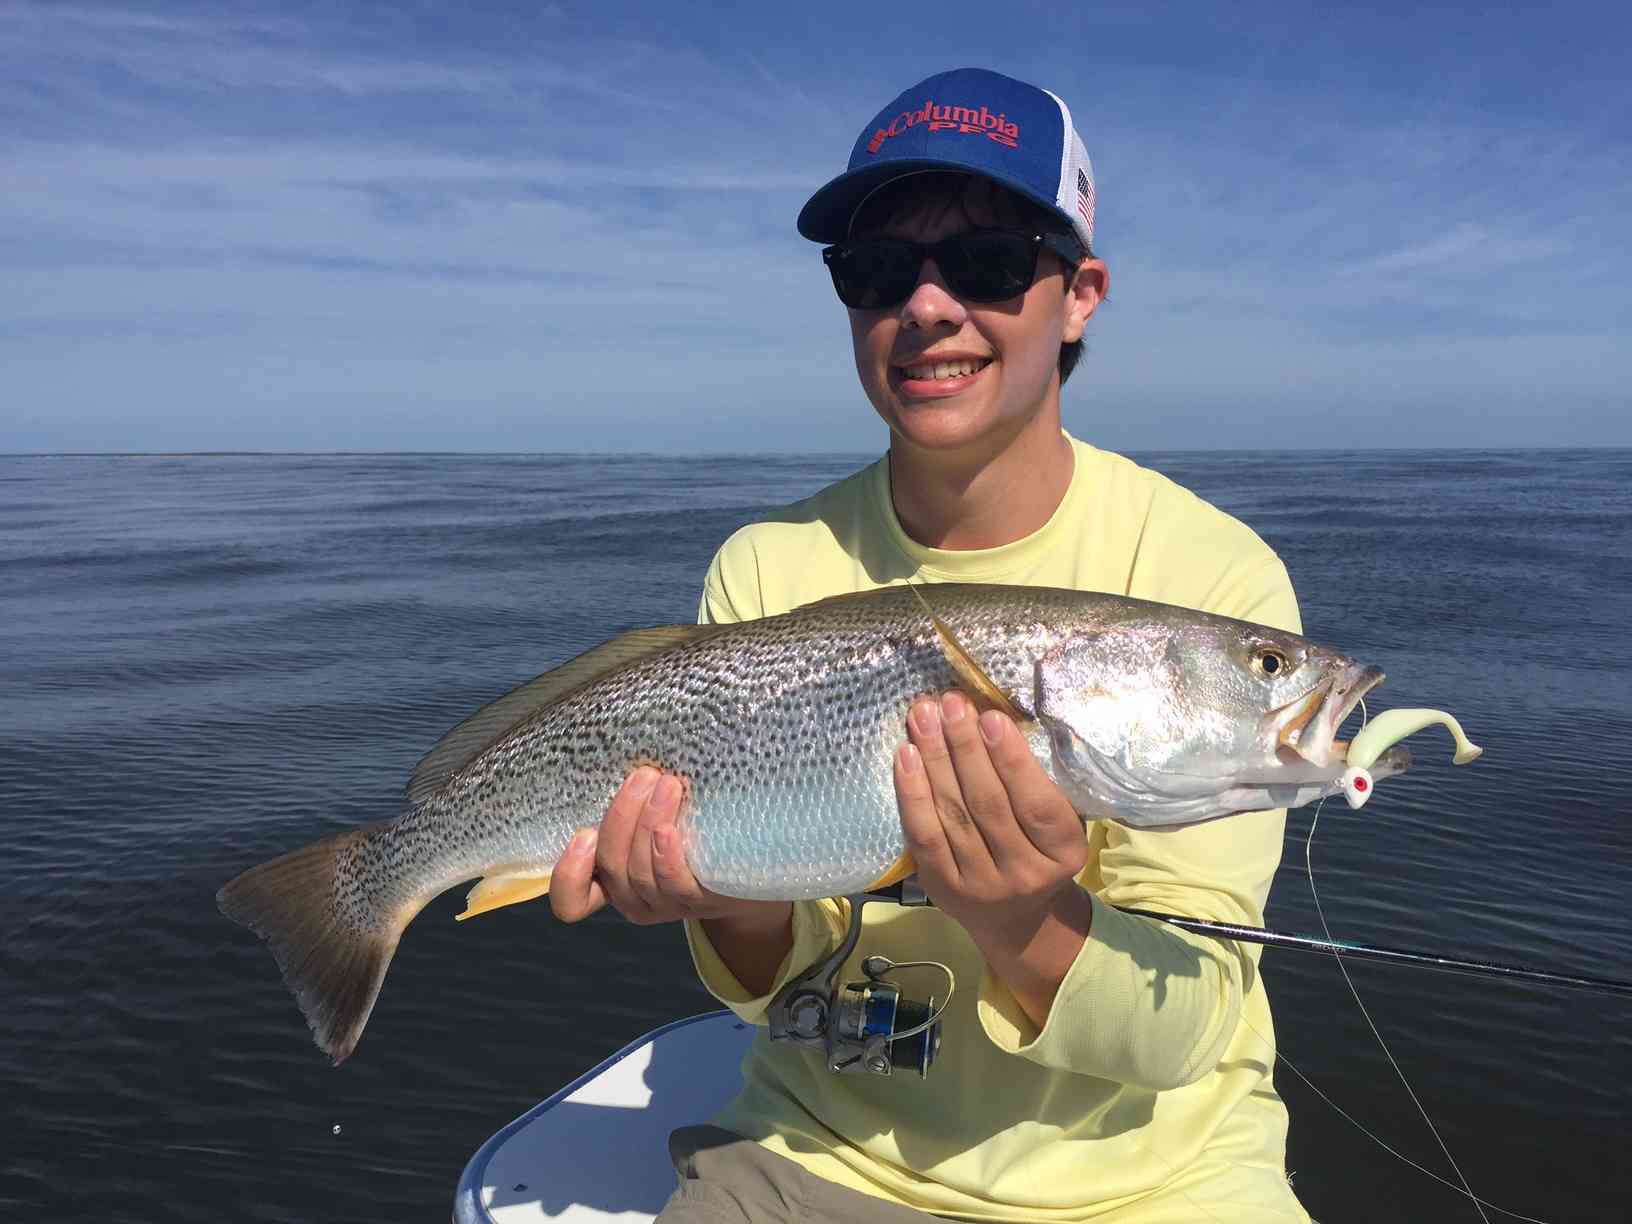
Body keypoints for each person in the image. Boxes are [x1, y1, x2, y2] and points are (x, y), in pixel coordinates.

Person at [549, 67, 1311, 1223]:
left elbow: (1186, 1029)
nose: (928, 305)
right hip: (818, 1152)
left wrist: (1016, 915)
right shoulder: (765, 568)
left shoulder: (1207, 574)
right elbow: (779, 991)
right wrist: (723, 905)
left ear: (1082, 294)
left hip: (1155, 1180)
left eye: (992, 263)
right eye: (875, 269)